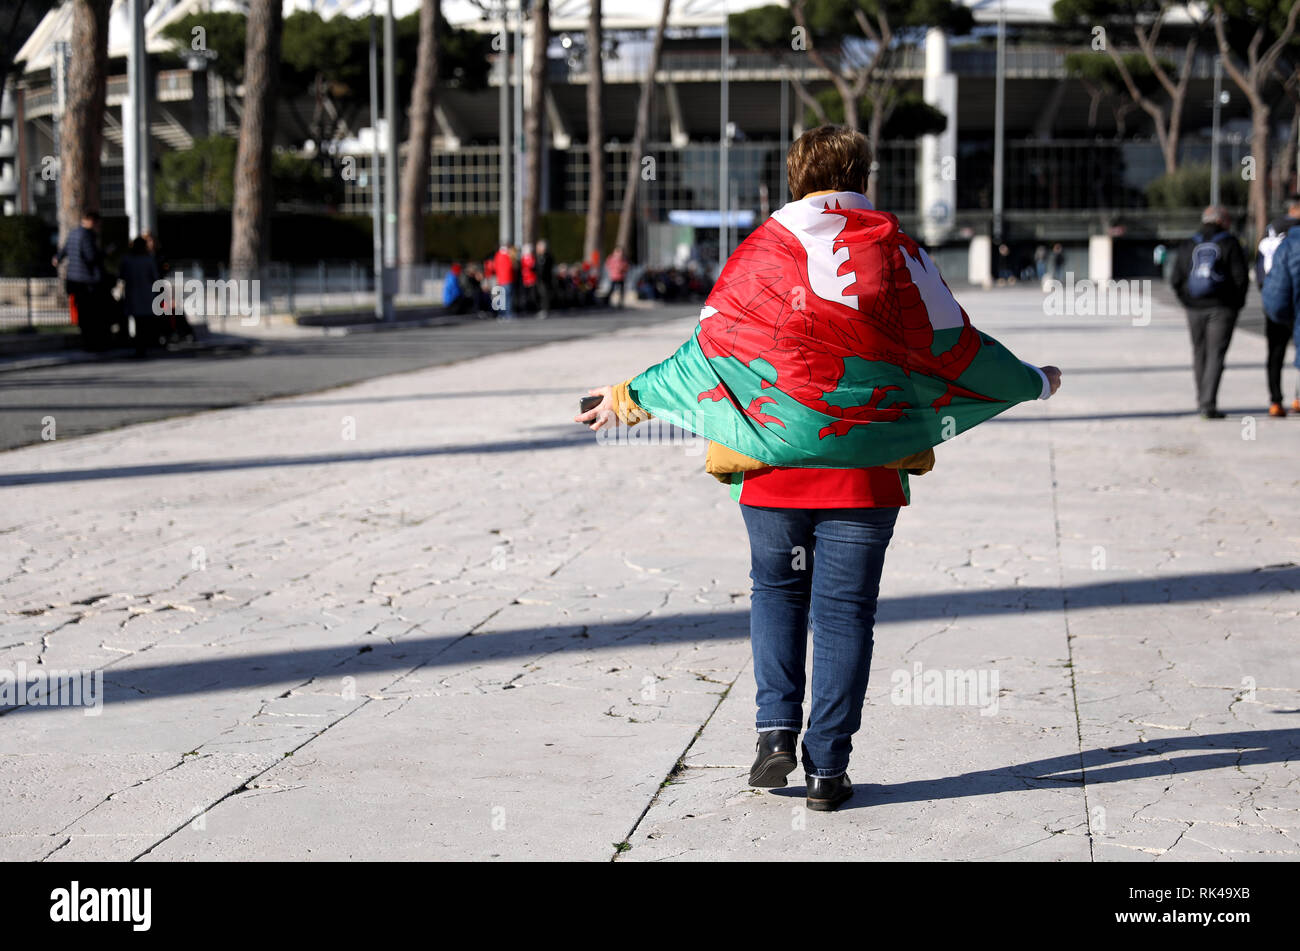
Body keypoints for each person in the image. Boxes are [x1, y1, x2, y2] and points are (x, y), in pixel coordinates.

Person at [575, 126, 1061, 812]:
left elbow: (709, 350)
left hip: (772, 472)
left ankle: (775, 732)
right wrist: (1033, 379)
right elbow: (957, 346)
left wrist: (623, 398)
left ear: (794, 178)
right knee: (843, 615)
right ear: (865, 176)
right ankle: (827, 769)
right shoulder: (899, 251)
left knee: (776, 591)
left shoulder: (759, 252)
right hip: (863, 477)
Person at [1169, 206, 1249, 419]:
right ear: (1222, 220)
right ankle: (1208, 403)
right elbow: (1241, 278)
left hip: (1194, 307)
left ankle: (1201, 400)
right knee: (1216, 354)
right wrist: (1235, 305)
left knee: (1199, 352)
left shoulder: (1189, 243)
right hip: (1222, 308)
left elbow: (1176, 278)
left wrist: (1187, 301)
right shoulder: (1229, 242)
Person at [1256, 195, 1300, 416]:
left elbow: (1259, 264)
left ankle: (1275, 400)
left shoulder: (1271, 229)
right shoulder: (1296, 234)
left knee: (1275, 352)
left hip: (1274, 297)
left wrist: (1265, 292)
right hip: (1296, 297)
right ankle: (1298, 399)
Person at [55, 210, 108, 350]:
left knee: (83, 313)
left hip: (73, 279)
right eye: (97, 223)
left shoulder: (73, 233)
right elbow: (91, 257)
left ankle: (87, 341)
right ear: (92, 221)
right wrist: (104, 254)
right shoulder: (87, 235)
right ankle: (93, 343)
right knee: (92, 314)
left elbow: (63, 251)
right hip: (87, 281)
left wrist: (57, 259)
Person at [119, 236, 161, 356]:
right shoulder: (148, 260)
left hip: (132, 293)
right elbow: (155, 277)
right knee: (145, 321)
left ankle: (139, 345)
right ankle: (144, 344)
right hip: (146, 293)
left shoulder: (127, 260)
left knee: (138, 320)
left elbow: (121, 275)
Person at [535, 240, 555, 319]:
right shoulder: (539, 257)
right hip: (540, 279)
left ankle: (545, 310)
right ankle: (542, 309)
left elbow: (545, 269)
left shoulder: (547, 257)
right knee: (540, 295)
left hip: (545, 279)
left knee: (545, 295)